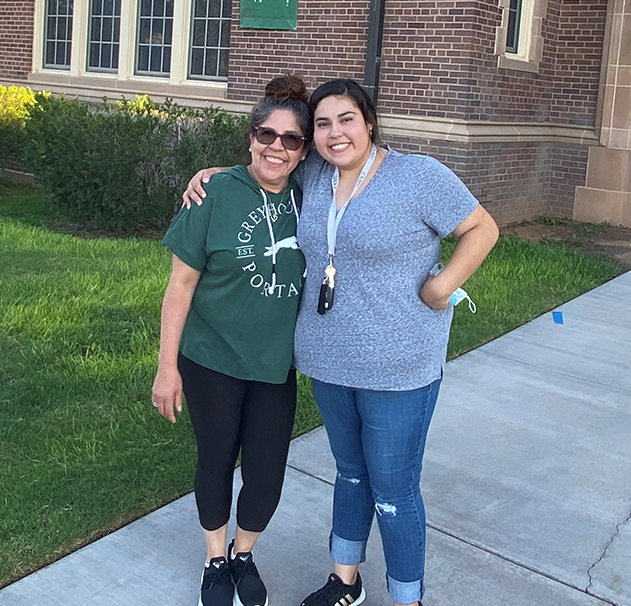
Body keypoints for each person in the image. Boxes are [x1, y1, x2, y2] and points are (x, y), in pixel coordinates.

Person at [183, 79, 499, 606]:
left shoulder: (416, 175)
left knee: (394, 492)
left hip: (399, 367)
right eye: (323, 124)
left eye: (346, 119)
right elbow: (267, 167)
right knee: (351, 477)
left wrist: (442, 287)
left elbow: (482, 228)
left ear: (369, 122)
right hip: (328, 360)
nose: (334, 133)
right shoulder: (316, 172)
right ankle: (345, 581)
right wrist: (213, 176)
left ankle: (407, 597)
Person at [151, 75, 311, 606]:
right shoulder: (214, 193)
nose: (276, 147)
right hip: (210, 357)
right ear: (250, 136)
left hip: (274, 364)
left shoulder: (311, 199)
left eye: (291, 139)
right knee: (216, 459)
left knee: (266, 474)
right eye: (267, 134)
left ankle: (245, 553)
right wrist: (166, 367)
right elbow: (180, 284)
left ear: (304, 150)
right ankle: (215, 559)